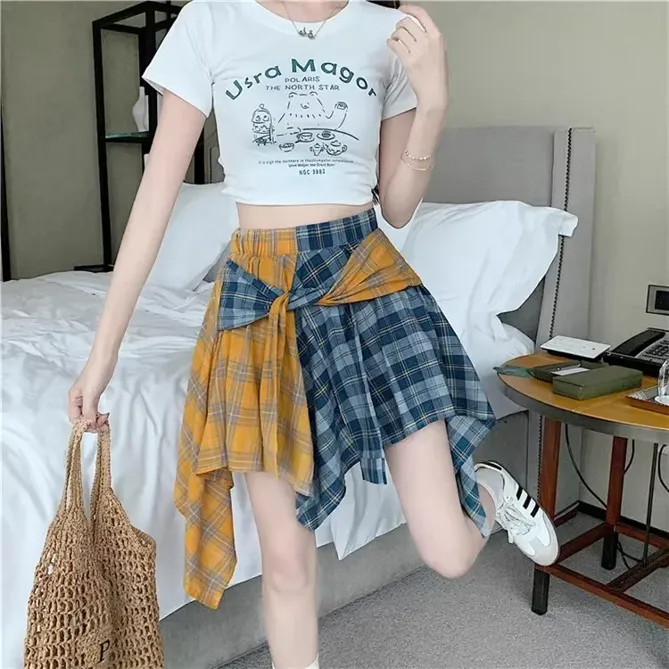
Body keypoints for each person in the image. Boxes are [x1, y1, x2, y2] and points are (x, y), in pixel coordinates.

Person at [68, 1, 559, 668]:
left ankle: (492, 489)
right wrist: (102, 356)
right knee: (287, 561)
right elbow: (155, 197)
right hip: (259, 297)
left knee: (449, 550)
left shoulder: (385, 32)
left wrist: (433, 103)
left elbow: (396, 207)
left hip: (366, 278)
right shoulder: (211, 21)